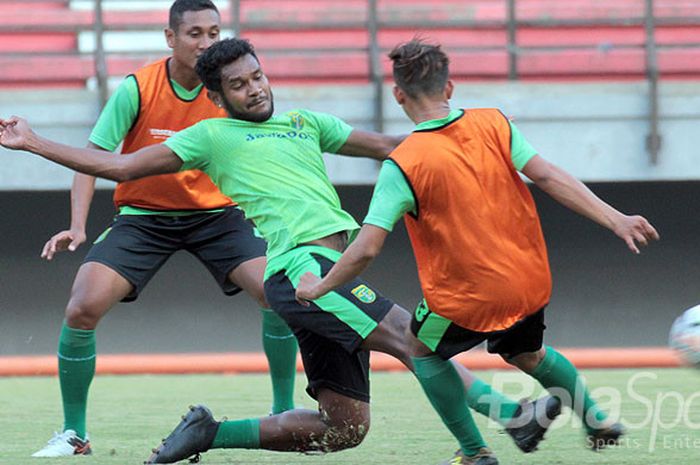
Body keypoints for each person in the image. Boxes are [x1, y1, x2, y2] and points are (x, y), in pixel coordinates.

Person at [1, 38, 560, 465]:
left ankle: (209, 432)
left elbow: (393, 146)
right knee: (413, 340)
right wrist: (33, 143)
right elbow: (119, 167)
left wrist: (474, 146)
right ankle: (514, 416)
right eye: (239, 85)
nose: (255, 88)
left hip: (318, 279)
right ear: (217, 98)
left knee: (343, 431)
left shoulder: (304, 123)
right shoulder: (210, 138)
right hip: (305, 270)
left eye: (258, 75)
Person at [294, 38, 661, 465]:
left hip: (466, 297)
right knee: (528, 354)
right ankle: (597, 420)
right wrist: (616, 218)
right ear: (449, 88)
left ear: (398, 96)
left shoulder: (403, 163)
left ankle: (474, 452)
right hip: (529, 282)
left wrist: (320, 287)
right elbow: (548, 175)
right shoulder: (495, 123)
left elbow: (367, 248)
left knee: (420, 349)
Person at [29, 1, 298, 457]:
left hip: (218, 217)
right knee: (82, 306)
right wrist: (77, 225)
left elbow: (265, 149)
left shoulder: (230, 89)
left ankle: (285, 414)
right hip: (144, 218)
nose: (206, 43)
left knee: (279, 292)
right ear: (170, 38)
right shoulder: (138, 88)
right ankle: (74, 434)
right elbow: (94, 157)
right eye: (195, 33)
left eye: (214, 32)